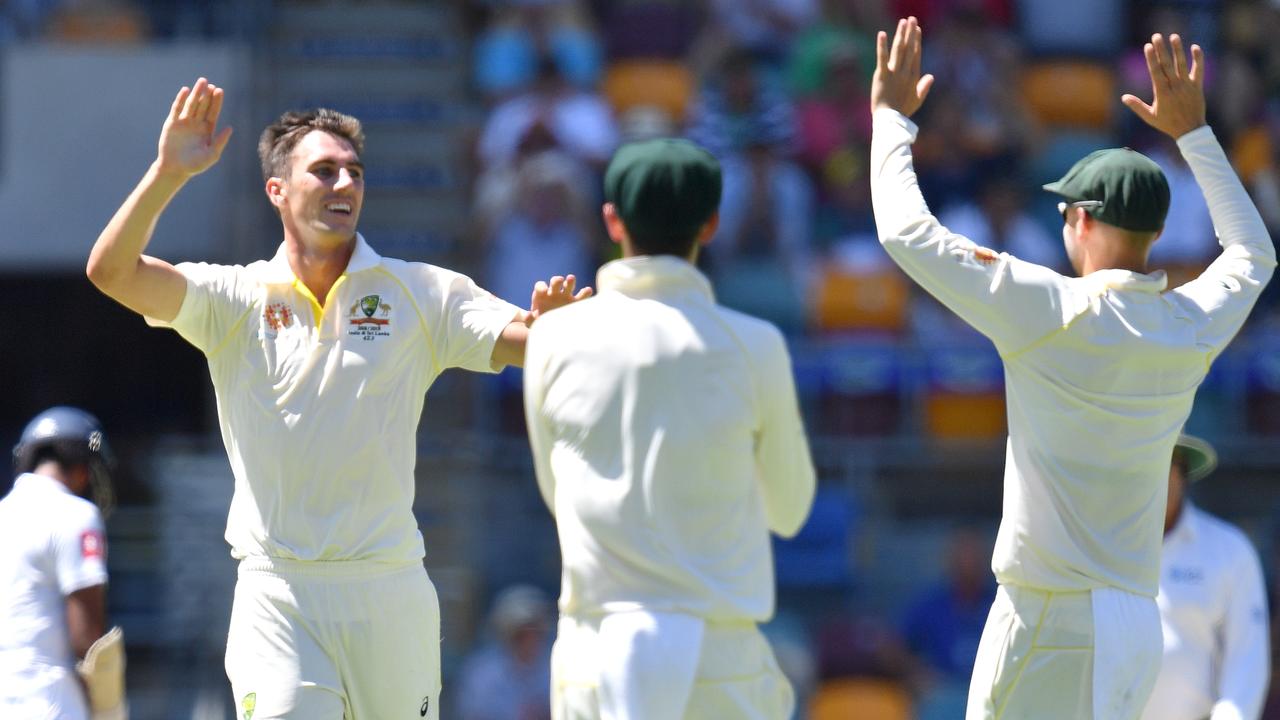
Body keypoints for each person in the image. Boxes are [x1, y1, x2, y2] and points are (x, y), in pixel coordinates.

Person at [85, 78, 590, 718]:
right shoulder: (233, 298)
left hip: (389, 590)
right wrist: (167, 172)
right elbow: (111, 272)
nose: (344, 185)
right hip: (278, 593)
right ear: (278, 190)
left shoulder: (421, 292)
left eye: (353, 172)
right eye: (323, 171)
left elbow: (532, 341)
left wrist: (557, 326)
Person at [870, 18, 1275, 720]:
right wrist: (1198, 136)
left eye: (1065, 213)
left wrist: (889, 120)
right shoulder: (1189, 324)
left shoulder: (1045, 307)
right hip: (1135, 627)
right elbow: (1253, 257)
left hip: (1050, 621)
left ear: (1082, 222)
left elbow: (906, 233)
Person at [523, 137, 817, 719]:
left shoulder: (552, 338)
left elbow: (557, 497)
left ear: (612, 221)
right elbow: (790, 509)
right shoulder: (756, 344)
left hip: (594, 657)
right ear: (710, 226)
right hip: (719, 661)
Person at [0, 406, 125, 720]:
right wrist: (109, 705)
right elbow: (86, 640)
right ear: (83, 470)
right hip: (49, 702)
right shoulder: (76, 514)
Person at [1140, 434, 1271, 720]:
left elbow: (1246, 668)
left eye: (1163, 461)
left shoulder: (1230, 550)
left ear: (1182, 471)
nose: (1150, 476)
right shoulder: (1098, 549)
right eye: (1141, 462)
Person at [456, 584, 554, 720]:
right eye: (522, 634)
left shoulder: (557, 669)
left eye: (536, 633)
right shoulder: (481, 674)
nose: (530, 641)